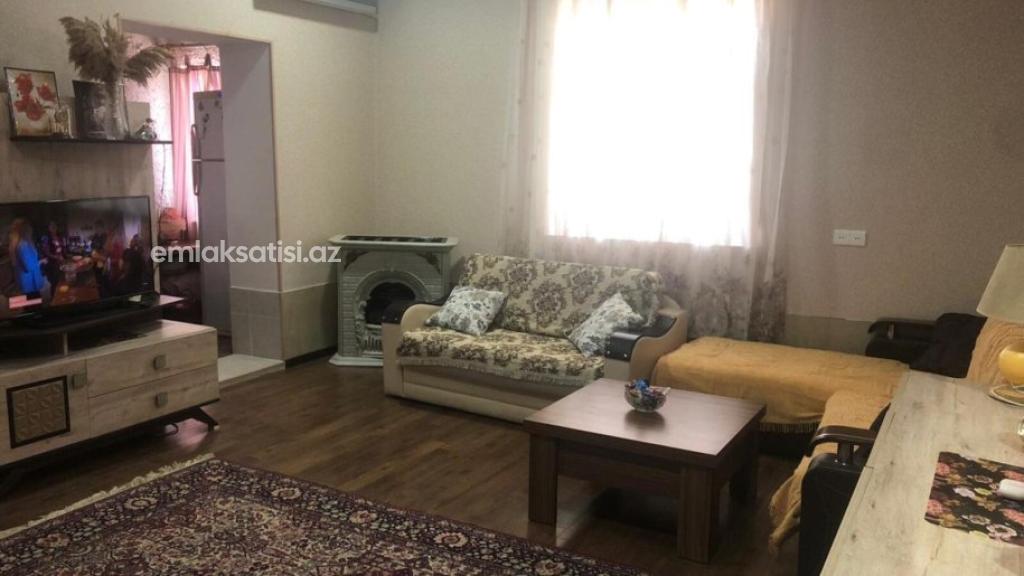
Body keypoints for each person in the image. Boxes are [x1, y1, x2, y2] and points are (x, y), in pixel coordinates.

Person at [9, 218, 48, 298]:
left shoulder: (17, 243)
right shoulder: (23, 245)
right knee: (34, 301)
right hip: (30, 283)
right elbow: (29, 267)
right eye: (29, 227)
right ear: (25, 230)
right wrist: (41, 261)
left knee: (31, 301)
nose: (31, 230)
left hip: (25, 282)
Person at [39, 220, 66, 289]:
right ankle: (53, 294)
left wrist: (63, 255)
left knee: (61, 280)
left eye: (55, 226)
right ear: (48, 228)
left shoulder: (59, 237)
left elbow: (62, 248)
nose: (54, 227)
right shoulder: (45, 238)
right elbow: (46, 252)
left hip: (60, 262)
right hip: (51, 264)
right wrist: (57, 257)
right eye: (52, 226)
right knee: (54, 282)